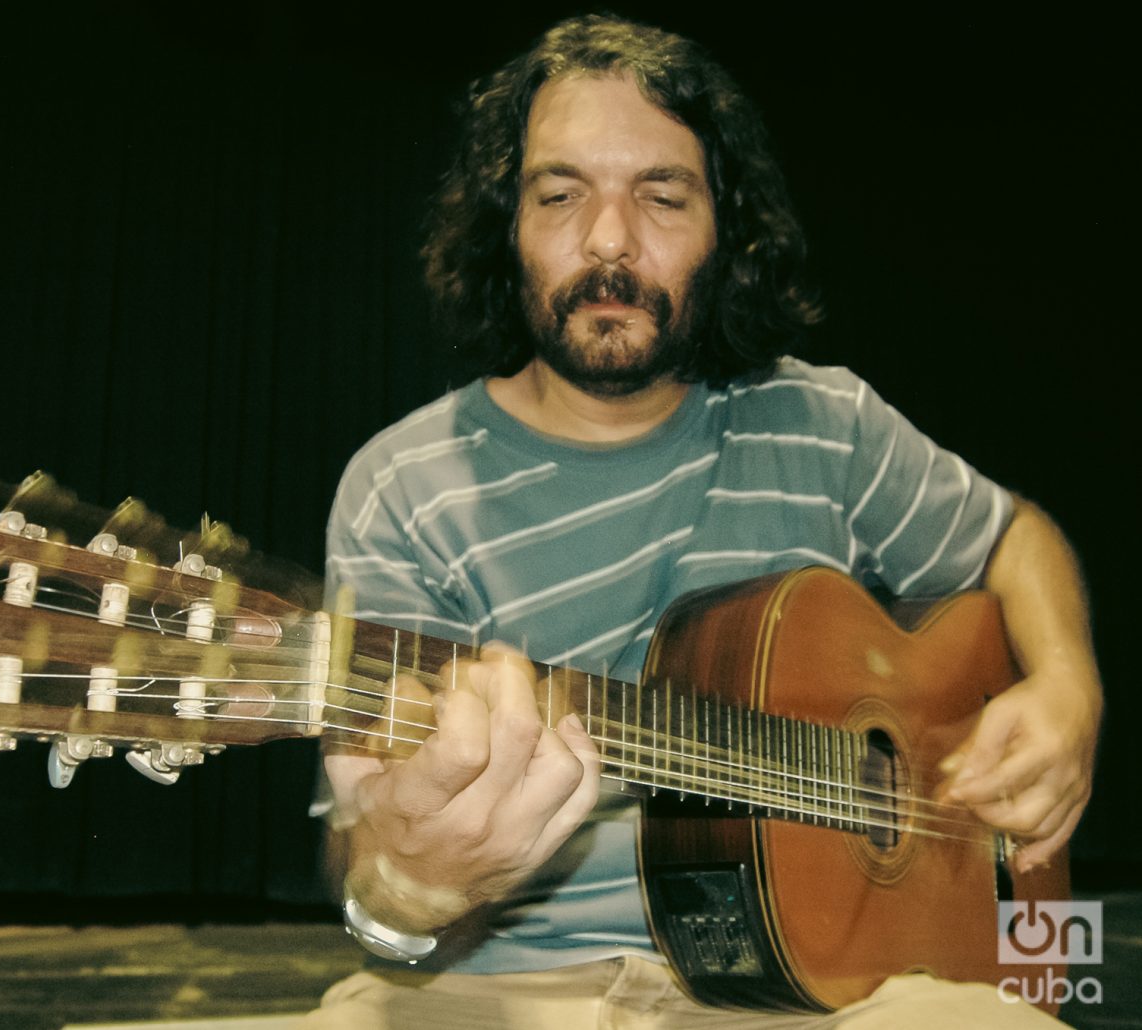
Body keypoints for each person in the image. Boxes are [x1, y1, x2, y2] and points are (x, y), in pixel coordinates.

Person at [306, 15, 1101, 1028]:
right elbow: (371, 902)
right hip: (503, 988)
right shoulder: (402, 487)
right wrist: (414, 887)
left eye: (660, 195)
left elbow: (1017, 537)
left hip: (836, 996)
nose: (607, 239)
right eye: (560, 194)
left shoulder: (823, 422)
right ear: (505, 225)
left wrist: (1070, 690)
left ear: (727, 231)